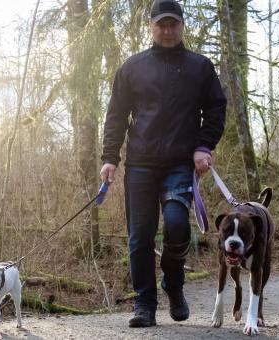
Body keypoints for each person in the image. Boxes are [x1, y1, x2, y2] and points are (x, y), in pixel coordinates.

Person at [99, 0, 226, 328]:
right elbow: (115, 115)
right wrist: (110, 157)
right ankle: (144, 304)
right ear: (151, 27)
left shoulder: (200, 67)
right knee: (139, 236)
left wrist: (203, 146)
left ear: (182, 26)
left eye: (173, 25)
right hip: (140, 164)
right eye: (161, 25)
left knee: (176, 224)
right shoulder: (132, 68)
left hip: (180, 164)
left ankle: (174, 282)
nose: (167, 31)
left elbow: (215, 109)